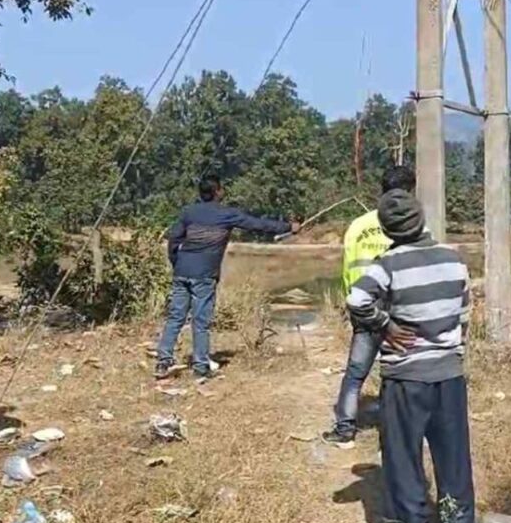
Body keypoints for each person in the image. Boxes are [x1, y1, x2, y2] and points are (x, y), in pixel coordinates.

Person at [346, 189, 474, 523]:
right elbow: (464, 314)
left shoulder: (387, 264)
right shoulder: (454, 258)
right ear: (421, 220)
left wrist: (385, 325)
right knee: (454, 465)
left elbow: (356, 299)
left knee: (403, 465)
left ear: (388, 230)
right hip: (449, 377)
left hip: (405, 379)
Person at [156, 174, 298, 380]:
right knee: (201, 321)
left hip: (182, 271)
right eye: (221, 188)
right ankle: (201, 367)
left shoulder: (189, 212)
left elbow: (173, 240)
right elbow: (258, 224)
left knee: (175, 317)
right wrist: (288, 227)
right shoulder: (227, 214)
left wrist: (176, 263)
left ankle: (163, 362)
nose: (223, 191)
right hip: (204, 275)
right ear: (217, 192)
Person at [323, 167, 417, 446]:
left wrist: (350, 301)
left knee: (355, 373)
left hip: (363, 305)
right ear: (409, 192)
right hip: (397, 307)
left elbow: (347, 267)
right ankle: (398, 429)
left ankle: (344, 430)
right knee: (400, 370)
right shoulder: (409, 225)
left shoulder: (358, 225)